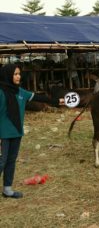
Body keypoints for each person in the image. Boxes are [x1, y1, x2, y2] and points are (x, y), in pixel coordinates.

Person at [0, 64, 64, 199]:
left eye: (19, 74)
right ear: (7, 75)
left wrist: (57, 101)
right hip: (2, 134)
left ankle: (7, 189)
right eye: (15, 74)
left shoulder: (20, 92)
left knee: (11, 161)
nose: (19, 76)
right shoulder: (0, 92)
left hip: (16, 132)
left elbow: (39, 98)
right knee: (1, 162)